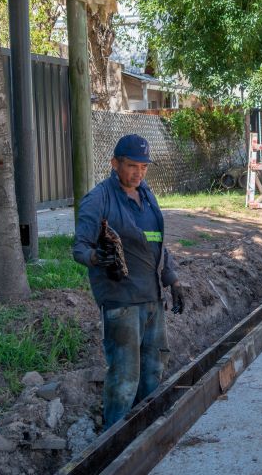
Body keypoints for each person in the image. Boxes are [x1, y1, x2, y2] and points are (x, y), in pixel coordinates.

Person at [73, 134, 186, 429]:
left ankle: (146, 432)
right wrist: (96, 257)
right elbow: (80, 247)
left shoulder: (147, 195)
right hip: (121, 302)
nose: (138, 173)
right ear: (115, 163)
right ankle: (114, 438)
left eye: (143, 167)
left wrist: (172, 280)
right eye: (132, 166)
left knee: (153, 371)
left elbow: (157, 244)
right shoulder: (98, 199)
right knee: (125, 377)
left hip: (152, 298)